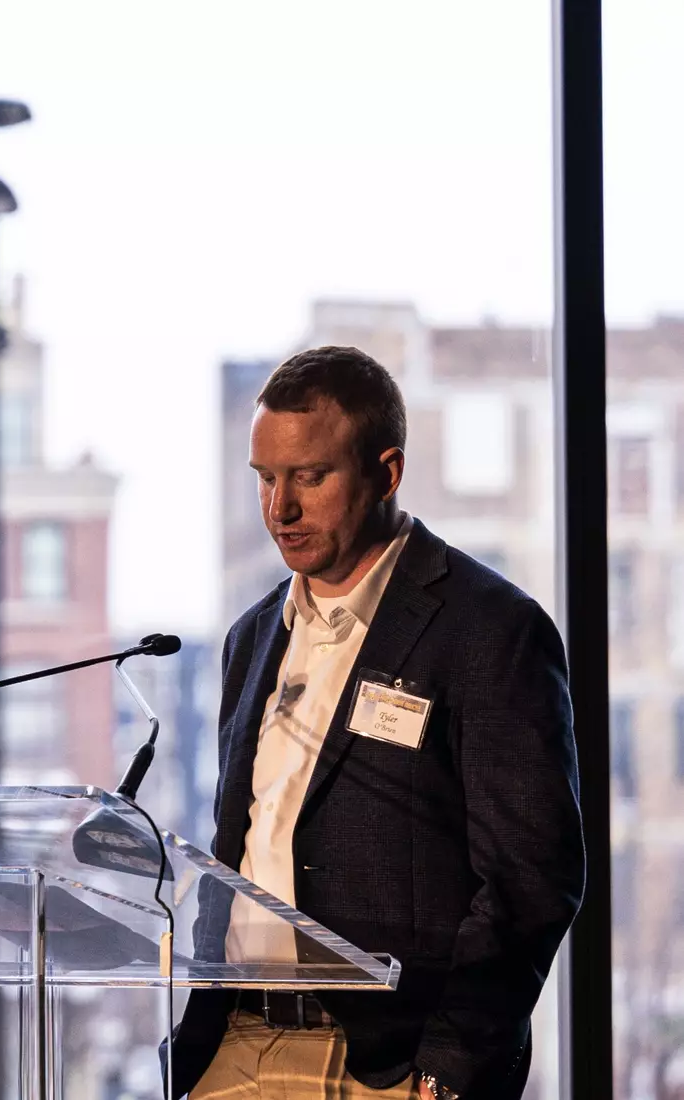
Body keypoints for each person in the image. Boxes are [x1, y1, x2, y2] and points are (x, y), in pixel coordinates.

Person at [167, 347, 585, 1099]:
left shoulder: (491, 629)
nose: (280, 508)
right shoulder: (252, 637)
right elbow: (244, 847)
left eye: (310, 476)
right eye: (265, 478)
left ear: (387, 473)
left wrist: (447, 1072)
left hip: (386, 1068)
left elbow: (532, 881)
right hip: (233, 1048)